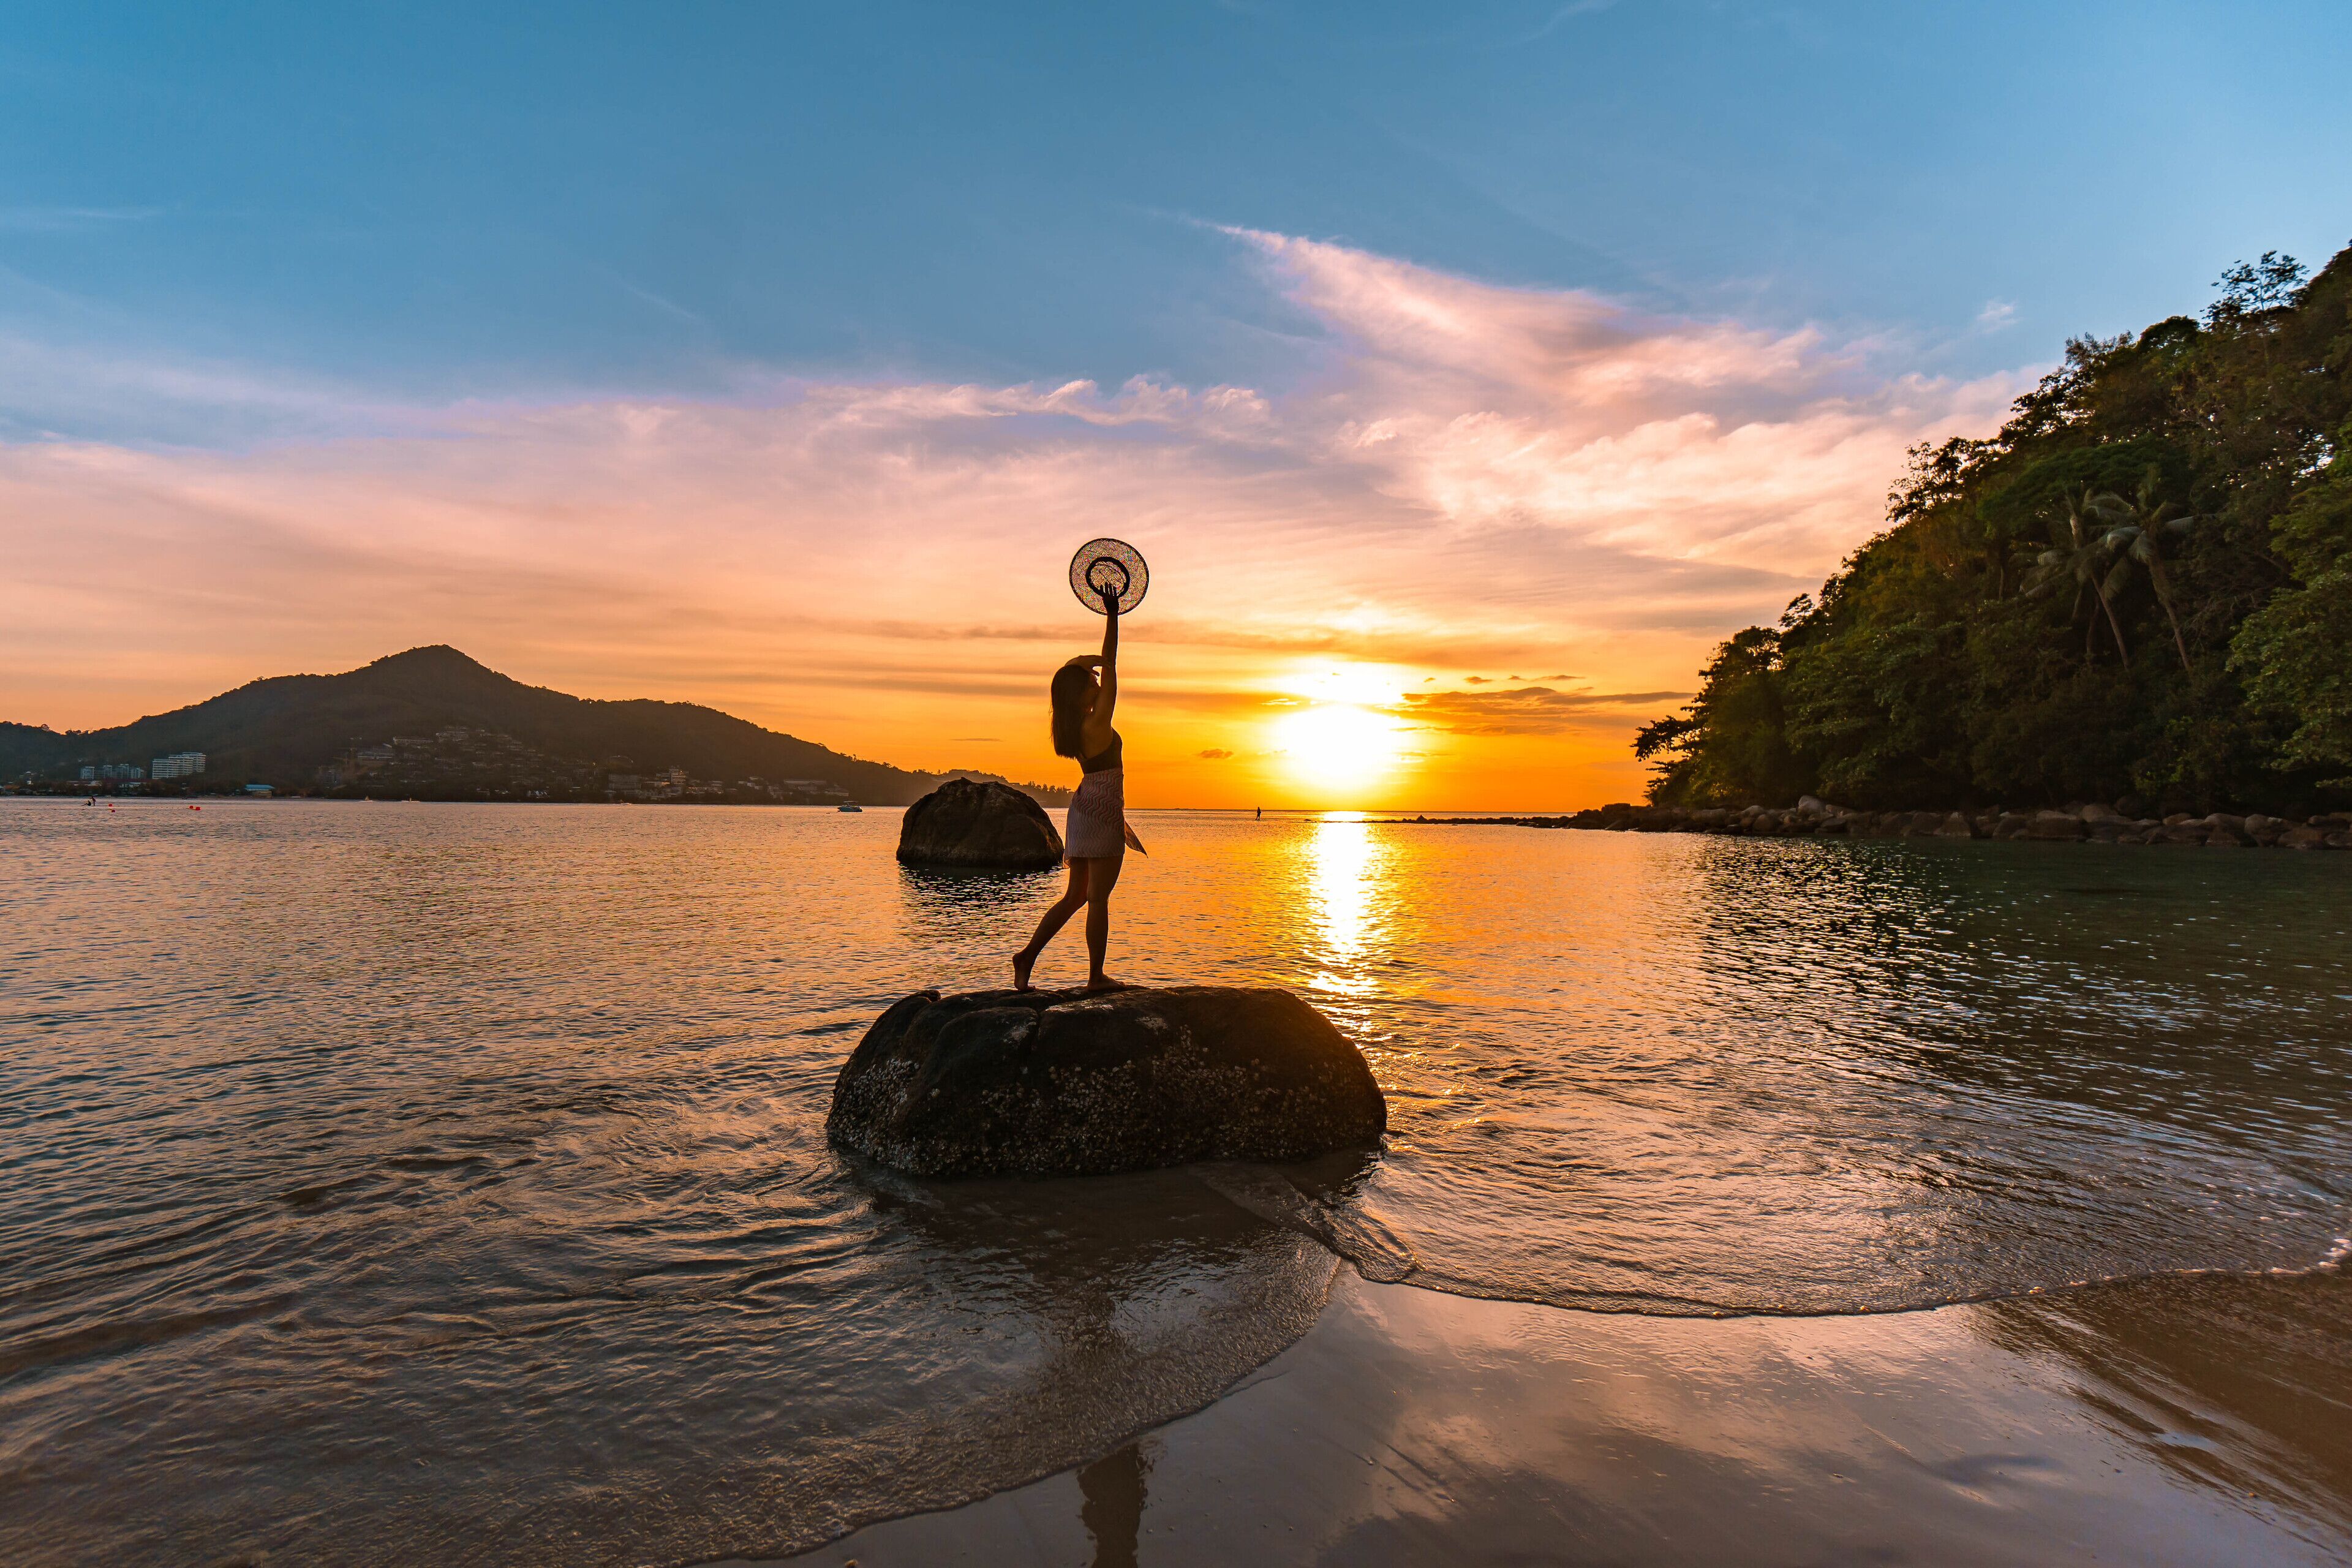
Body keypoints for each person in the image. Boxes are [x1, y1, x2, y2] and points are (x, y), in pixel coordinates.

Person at [1013, 581, 1145, 991]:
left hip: (1084, 807)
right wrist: (1111, 616)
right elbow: (1114, 664)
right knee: (1099, 900)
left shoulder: (1073, 727)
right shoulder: (1097, 723)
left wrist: (1080, 663)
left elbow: (1098, 669)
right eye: (1091, 680)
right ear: (1084, 693)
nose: (1098, 682)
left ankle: (1026, 956)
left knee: (1077, 898)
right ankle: (1095, 977)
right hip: (1103, 811)